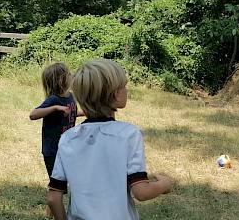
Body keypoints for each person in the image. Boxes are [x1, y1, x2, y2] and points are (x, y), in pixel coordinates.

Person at [47, 58, 173, 220]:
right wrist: (165, 184)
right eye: (124, 86)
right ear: (115, 94)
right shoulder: (128, 134)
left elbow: (53, 197)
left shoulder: (68, 138)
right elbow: (141, 192)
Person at [29, 62, 78, 218]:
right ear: (61, 79)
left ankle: (49, 214)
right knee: (57, 186)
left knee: (61, 185)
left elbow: (71, 113)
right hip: (53, 150)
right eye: (68, 74)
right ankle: (52, 214)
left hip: (67, 149)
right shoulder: (53, 100)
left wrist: (91, 113)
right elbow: (33, 114)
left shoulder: (70, 97)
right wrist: (55, 108)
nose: (71, 76)